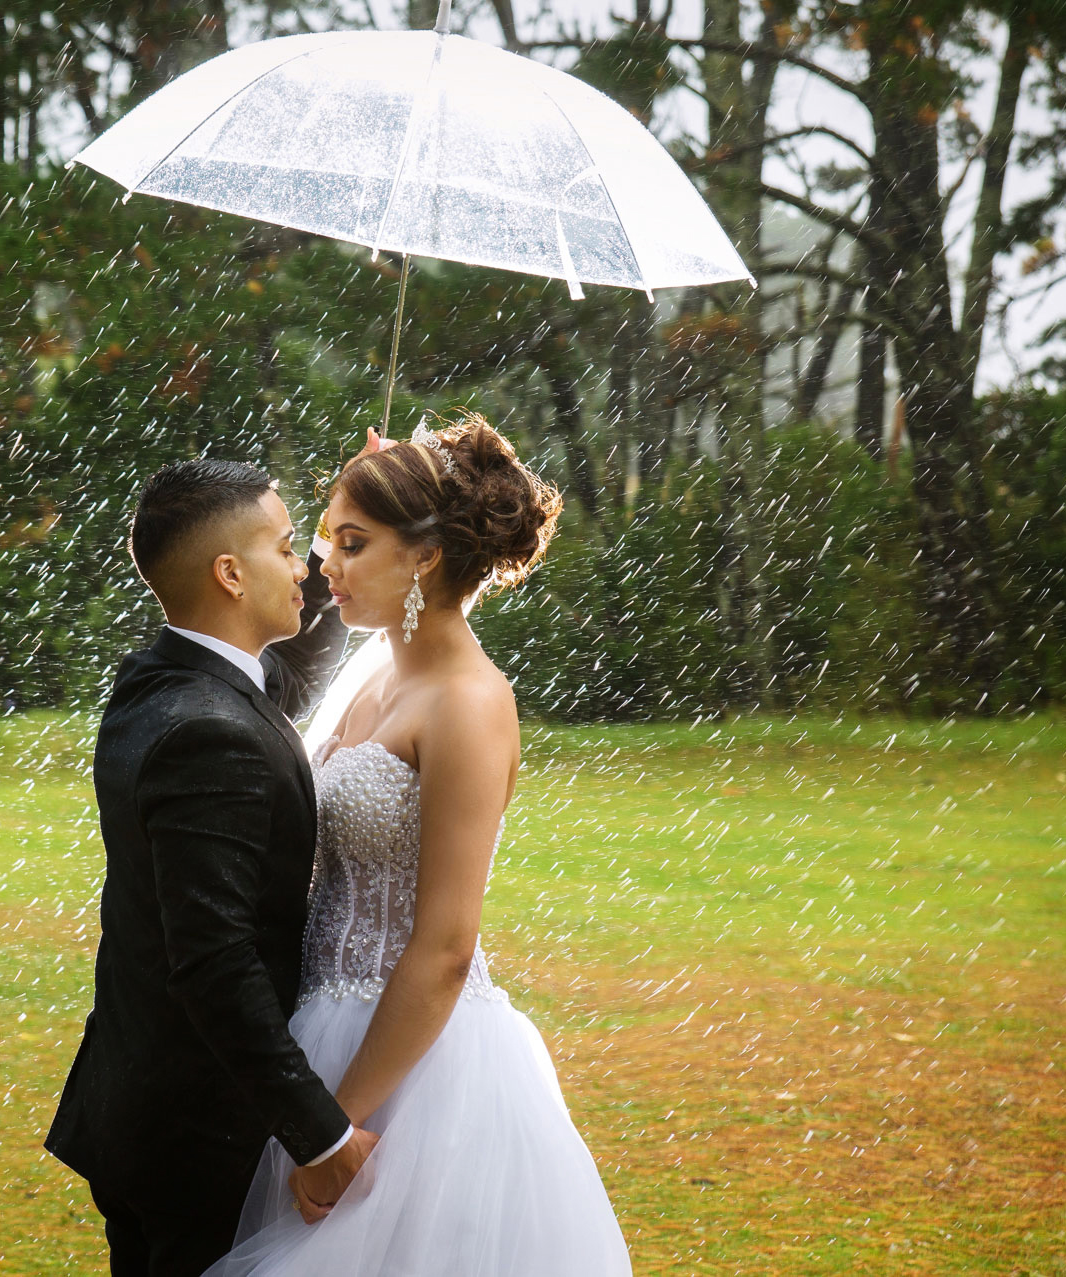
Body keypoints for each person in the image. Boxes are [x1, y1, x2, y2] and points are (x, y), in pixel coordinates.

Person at [205, 414, 632, 1275]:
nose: (324, 561)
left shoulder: (469, 703)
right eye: (325, 537)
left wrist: (334, 1126)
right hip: (314, 1024)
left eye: (352, 542)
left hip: (413, 1064)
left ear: (426, 556)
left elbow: (443, 944)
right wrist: (385, 484)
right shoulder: (374, 669)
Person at [44, 456, 380, 1277]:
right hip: (197, 1137)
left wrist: (335, 575)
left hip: (138, 1101)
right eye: (288, 545)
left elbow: (277, 689)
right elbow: (214, 960)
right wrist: (322, 1134)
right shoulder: (209, 730)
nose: (308, 565)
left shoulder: (161, 682)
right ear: (230, 574)